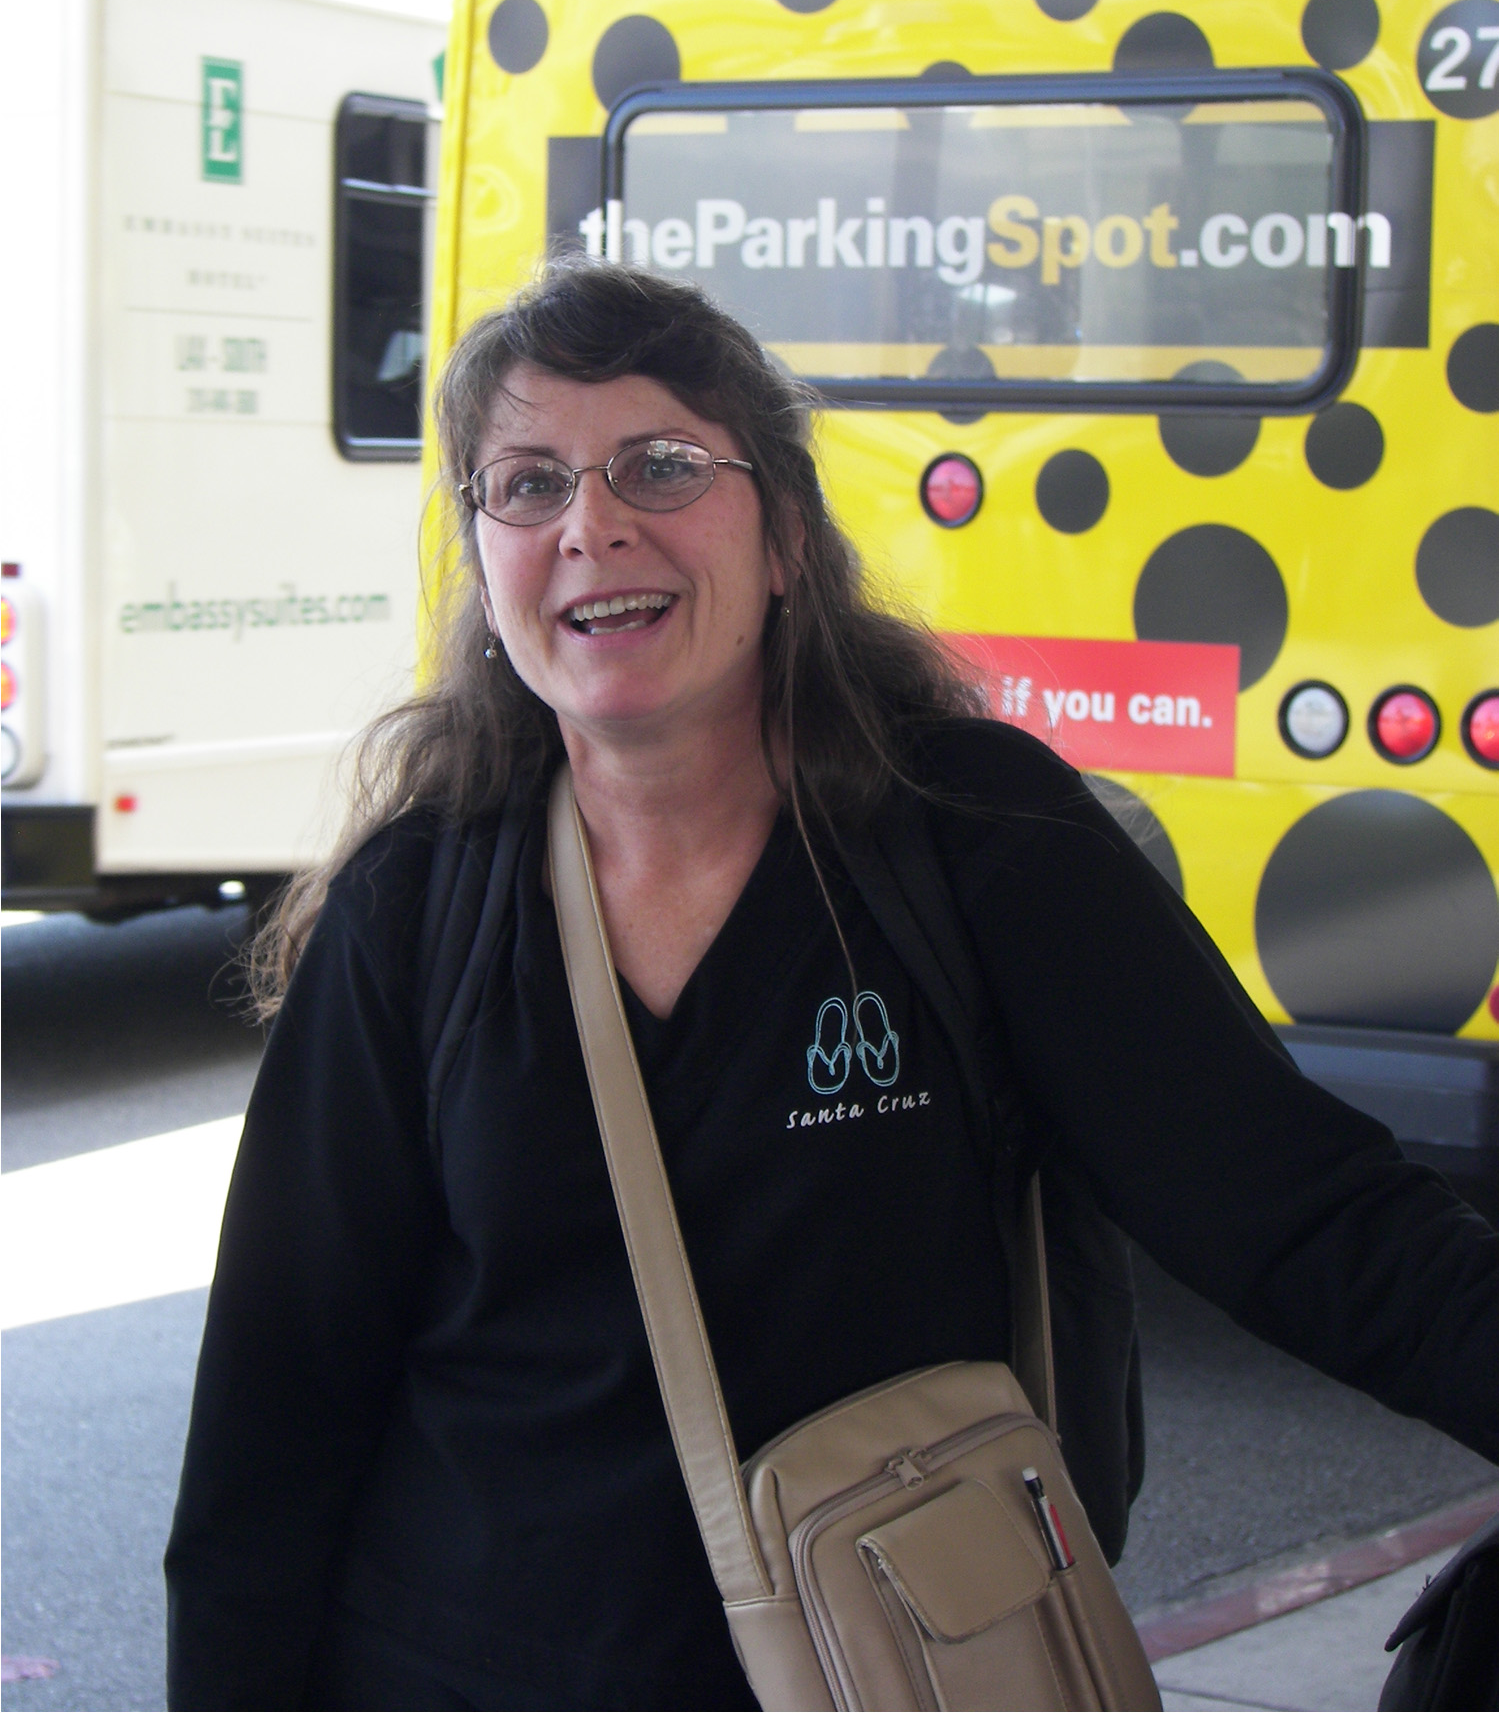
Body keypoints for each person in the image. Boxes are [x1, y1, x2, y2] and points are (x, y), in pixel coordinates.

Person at [165, 260, 1496, 1713]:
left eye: (661, 466)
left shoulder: (976, 840)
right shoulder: (414, 909)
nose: (592, 524)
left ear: (785, 535)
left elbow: (1308, 1220)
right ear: (485, 564)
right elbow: (271, 1428)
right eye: (526, 485)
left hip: (899, 1672)